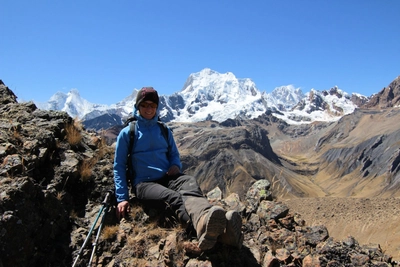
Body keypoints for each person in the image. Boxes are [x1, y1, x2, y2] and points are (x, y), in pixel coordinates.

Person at [113, 87, 243, 250]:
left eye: (152, 105)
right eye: (145, 105)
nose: (148, 109)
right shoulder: (128, 133)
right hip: (144, 184)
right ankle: (200, 228)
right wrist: (122, 198)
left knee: (189, 183)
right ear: (138, 106)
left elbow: (174, 154)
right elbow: (118, 166)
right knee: (173, 197)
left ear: (156, 108)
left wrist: (175, 165)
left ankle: (208, 218)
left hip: (167, 177)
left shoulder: (163, 130)